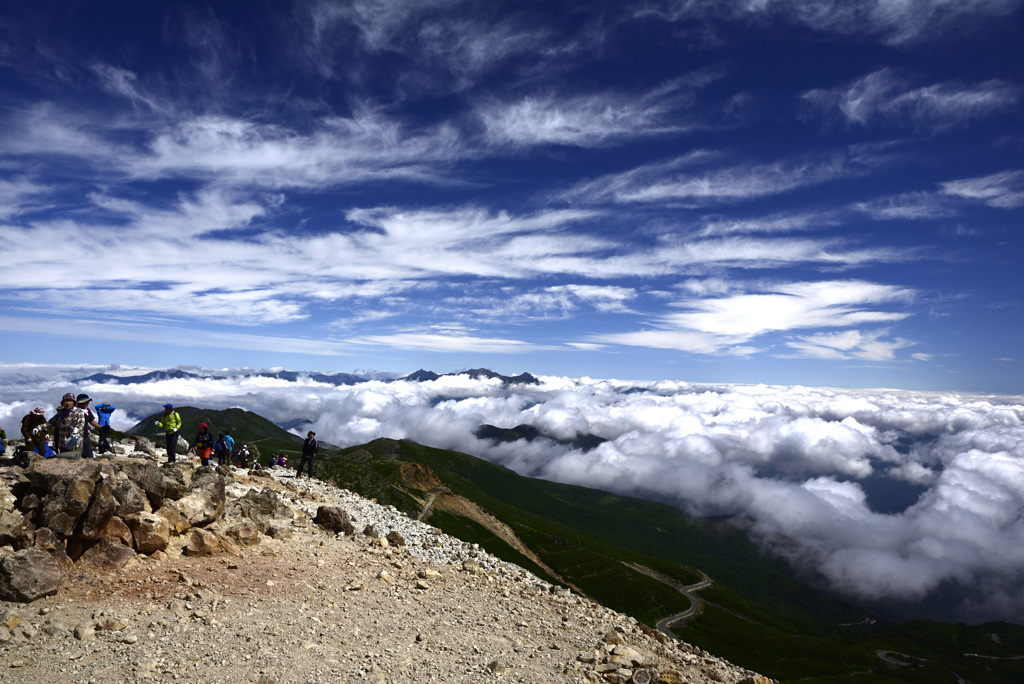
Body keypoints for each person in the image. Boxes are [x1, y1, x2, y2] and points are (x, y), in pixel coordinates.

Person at [76, 394, 100, 459]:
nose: (88, 403)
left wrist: (101, 428)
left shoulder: (87, 410)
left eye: (88, 401)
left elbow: (91, 421)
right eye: (86, 402)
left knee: (89, 456)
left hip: (85, 436)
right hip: (76, 437)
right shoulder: (74, 411)